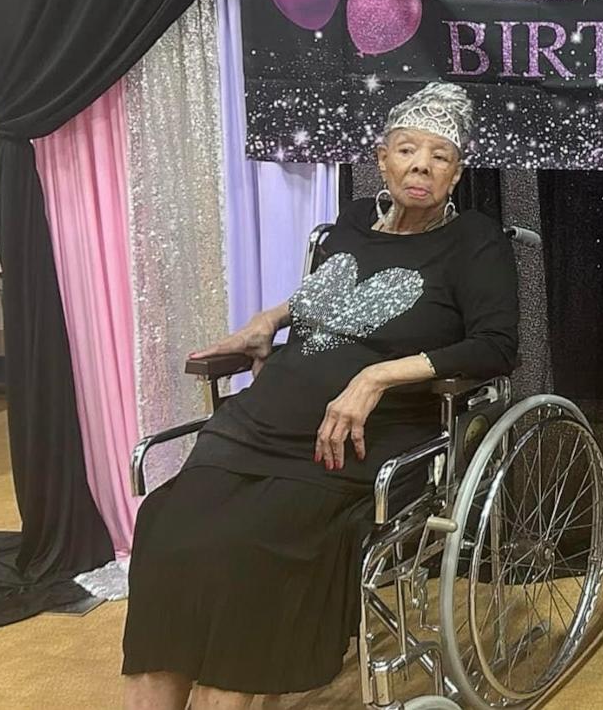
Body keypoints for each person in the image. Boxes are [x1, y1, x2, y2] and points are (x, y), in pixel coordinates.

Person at [122, 82, 519, 710]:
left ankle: (233, 691)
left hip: (359, 445)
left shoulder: (473, 241)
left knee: (251, 545)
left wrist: (376, 377)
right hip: (257, 425)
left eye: (439, 156)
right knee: (168, 526)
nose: (421, 165)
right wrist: (270, 318)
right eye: (407, 150)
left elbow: (496, 347)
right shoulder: (354, 221)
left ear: (458, 172)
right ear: (381, 158)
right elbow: (327, 298)